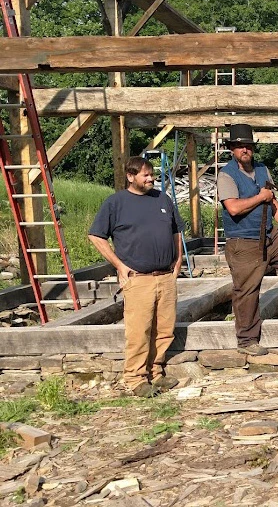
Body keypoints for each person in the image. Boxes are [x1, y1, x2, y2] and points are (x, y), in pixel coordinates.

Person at [89, 156, 183, 398]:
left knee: (164, 329)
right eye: (146, 175)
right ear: (130, 177)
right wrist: (120, 266)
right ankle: (135, 377)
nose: (151, 179)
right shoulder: (115, 203)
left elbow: (176, 231)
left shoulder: (163, 199)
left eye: (152, 174)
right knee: (139, 330)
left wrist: (179, 259)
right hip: (138, 278)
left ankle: (156, 372)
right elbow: (96, 236)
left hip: (165, 276)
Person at [217, 123, 278, 356]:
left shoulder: (262, 170)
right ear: (232, 149)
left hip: (270, 236)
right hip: (243, 242)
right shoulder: (227, 175)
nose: (244, 150)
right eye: (239, 146)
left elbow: (273, 202)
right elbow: (234, 208)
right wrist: (260, 197)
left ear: (252, 148)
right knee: (247, 290)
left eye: (247, 145)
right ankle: (247, 341)